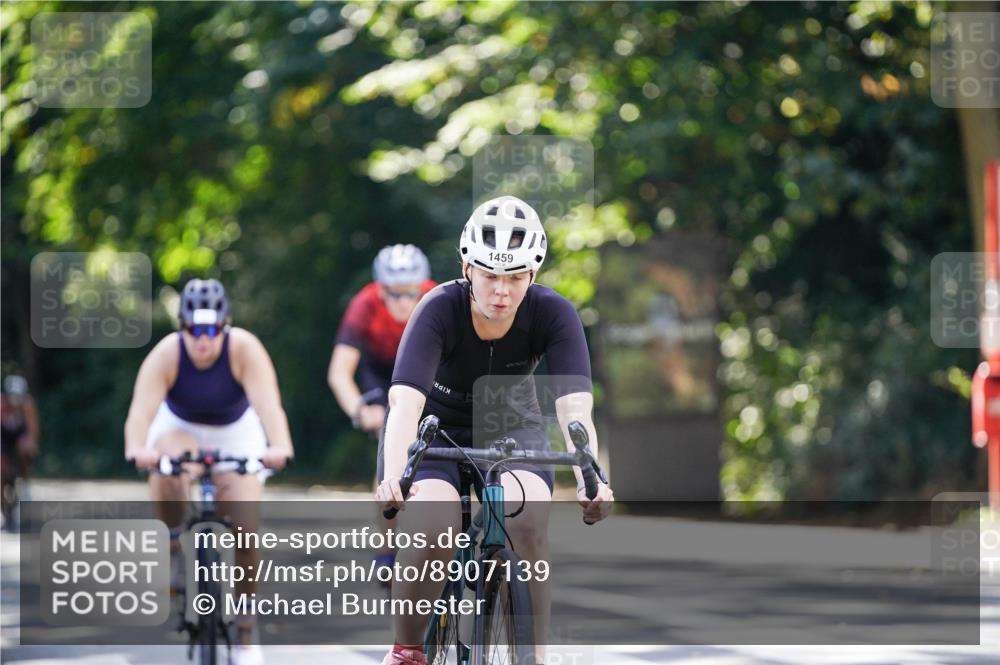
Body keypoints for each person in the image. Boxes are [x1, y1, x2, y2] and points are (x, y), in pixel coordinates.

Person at [375, 196, 615, 665]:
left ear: (533, 274)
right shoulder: (437, 308)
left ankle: (534, 656)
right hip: (436, 431)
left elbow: (575, 410)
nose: (501, 290)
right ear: (466, 268)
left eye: (515, 276)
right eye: (489, 274)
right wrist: (393, 475)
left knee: (528, 522)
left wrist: (594, 479)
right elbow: (404, 404)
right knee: (433, 528)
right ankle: (405, 650)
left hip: (512, 427)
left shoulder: (553, 313)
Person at [124, 278, 294, 665]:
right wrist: (138, 449)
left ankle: (246, 633)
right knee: (166, 469)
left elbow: (270, 407)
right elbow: (141, 413)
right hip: (179, 427)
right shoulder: (167, 354)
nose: (203, 340)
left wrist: (279, 446)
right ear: (182, 328)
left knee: (246, 527)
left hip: (236, 431)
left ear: (224, 325)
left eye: (211, 330)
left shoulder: (245, 349)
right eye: (193, 331)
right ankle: (171, 542)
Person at [328, 244, 435, 574]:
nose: (403, 302)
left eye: (410, 293)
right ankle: (387, 547)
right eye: (394, 294)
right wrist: (360, 410)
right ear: (380, 288)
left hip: (426, 369)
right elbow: (339, 373)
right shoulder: (365, 304)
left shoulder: (434, 299)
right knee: (388, 453)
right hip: (382, 375)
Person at [1, 373, 40, 529]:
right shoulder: (1, 405)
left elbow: (33, 431)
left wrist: (31, 447)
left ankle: (25, 486)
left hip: (19, 439)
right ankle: (3, 511)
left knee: (26, 448)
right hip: (3, 439)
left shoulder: (28, 405)